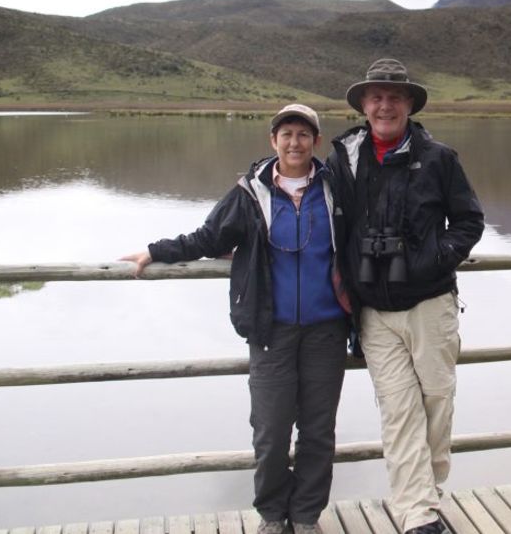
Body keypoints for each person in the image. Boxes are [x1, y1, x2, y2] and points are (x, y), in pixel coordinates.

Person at [120, 104, 347, 534]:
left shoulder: (337, 189)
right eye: (287, 134)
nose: (295, 142)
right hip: (270, 330)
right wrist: (156, 250)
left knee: (318, 431)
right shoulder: (249, 192)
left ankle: (305, 517)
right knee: (271, 431)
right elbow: (209, 236)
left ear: (316, 141)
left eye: (303, 134)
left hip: (327, 331)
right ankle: (272, 516)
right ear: (273, 141)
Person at [327, 59, 484, 534]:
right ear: (363, 105)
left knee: (436, 403)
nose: (384, 105)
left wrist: (435, 259)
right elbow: (304, 198)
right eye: (375, 97)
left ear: (410, 104)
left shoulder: (439, 158)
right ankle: (417, 515)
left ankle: (426, 499)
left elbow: (469, 222)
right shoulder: (344, 159)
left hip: (430, 304)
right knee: (398, 412)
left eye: (395, 97)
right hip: (373, 311)